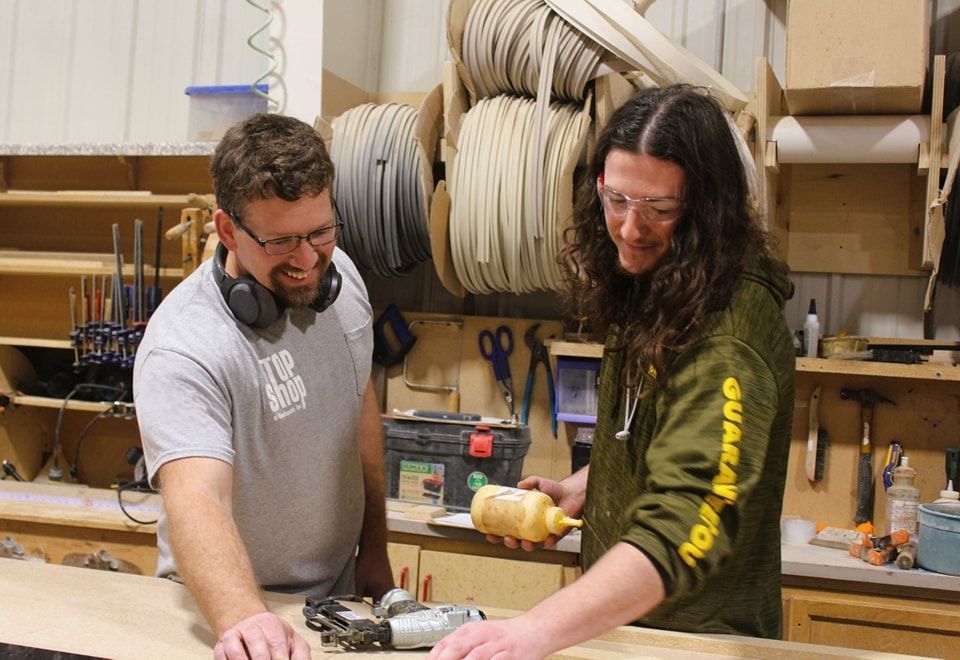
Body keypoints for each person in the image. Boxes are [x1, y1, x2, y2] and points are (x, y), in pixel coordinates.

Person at [429, 85, 795, 659]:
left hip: (694, 644)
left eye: (659, 208)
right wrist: (583, 489)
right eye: (616, 198)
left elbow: (686, 524)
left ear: (706, 208)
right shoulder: (660, 284)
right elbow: (658, 434)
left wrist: (531, 630)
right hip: (633, 633)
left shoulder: (729, 337)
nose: (628, 227)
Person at [134, 113, 394, 659]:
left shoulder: (339, 280)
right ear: (228, 230)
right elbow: (196, 493)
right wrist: (245, 617)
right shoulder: (185, 346)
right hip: (228, 617)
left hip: (335, 602)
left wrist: (374, 549)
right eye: (280, 241)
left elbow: (359, 406)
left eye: (319, 231)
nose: (306, 261)